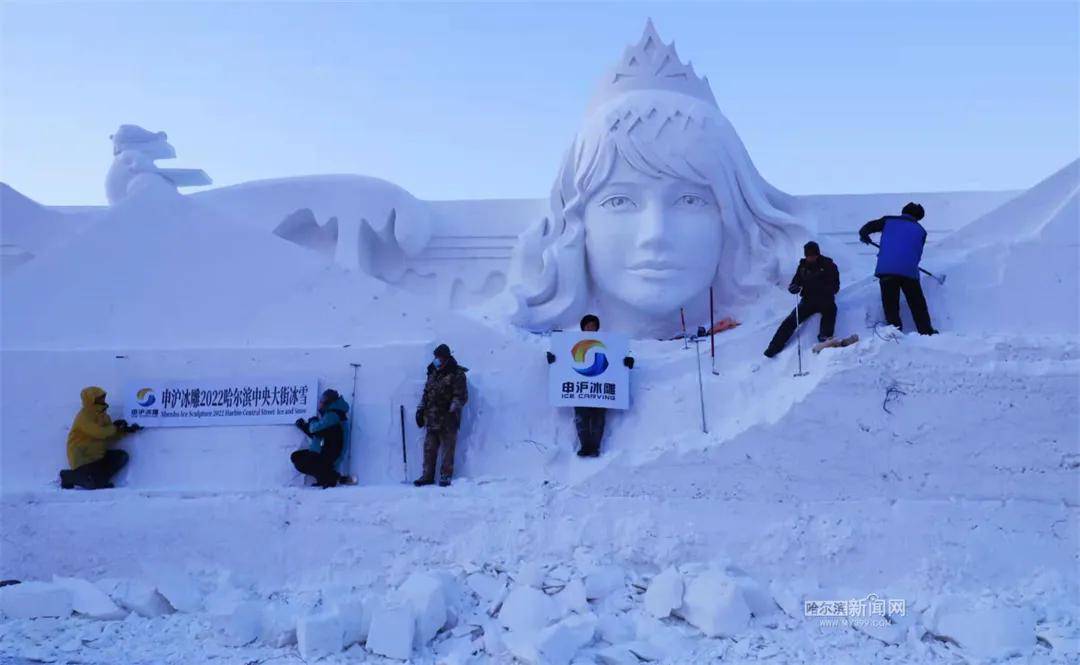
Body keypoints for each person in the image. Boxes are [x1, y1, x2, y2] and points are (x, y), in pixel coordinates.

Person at [547, 314, 634, 457]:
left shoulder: (610, 344)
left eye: (593, 325)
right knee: (581, 417)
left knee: (598, 417)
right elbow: (561, 361)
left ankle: (595, 447)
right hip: (579, 388)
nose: (590, 328)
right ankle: (585, 446)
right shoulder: (570, 343)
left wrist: (628, 362)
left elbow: (620, 359)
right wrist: (553, 359)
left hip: (600, 388)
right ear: (583, 328)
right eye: (588, 325)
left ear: (597, 328)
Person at [859, 202, 938, 335]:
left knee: (890, 304)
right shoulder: (921, 231)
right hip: (909, 270)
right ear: (918, 217)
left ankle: (895, 332)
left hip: (887, 269)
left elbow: (867, 228)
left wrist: (864, 235)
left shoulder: (888, 221)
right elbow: (916, 252)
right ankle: (926, 331)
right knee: (917, 303)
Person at [764, 242, 840, 358]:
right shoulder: (803, 267)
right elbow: (795, 282)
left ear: (818, 254)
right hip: (808, 300)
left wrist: (823, 289)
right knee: (791, 320)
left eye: (813, 255)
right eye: (808, 255)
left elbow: (836, 286)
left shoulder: (829, 265)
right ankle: (774, 346)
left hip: (825, 299)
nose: (811, 258)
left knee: (830, 311)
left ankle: (825, 338)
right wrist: (793, 287)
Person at [61, 386, 140, 490]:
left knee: (122, 457)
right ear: (90, 400)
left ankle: (99, 479)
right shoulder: (84, 416)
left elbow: (109, 436)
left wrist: (125, 431)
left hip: (98, 457)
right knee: (93, 485)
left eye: (102, 397)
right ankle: (68, 476)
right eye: (98, 398)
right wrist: (115, 427)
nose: (102, 399)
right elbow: (99, 432)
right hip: (83, 459)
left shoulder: (104, 416)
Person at [414, 344, 468, 487]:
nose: (437, 360)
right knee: (429, 449)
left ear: (446, 358)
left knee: (448, 450)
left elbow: (461, 396)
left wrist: (453, 407)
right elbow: (426, 394)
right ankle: (427, 476)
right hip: (431, 418)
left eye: (439, 357)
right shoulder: (432, 372)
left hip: (448, 419)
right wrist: (420, 410)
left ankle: (445, 475)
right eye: (435, 357)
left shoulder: (456, 373)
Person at [292, 389, 350, 488]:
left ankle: (331, 477)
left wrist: (312, 421)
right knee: (298, 457)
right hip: (328, 453)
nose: (320, 403)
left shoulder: (333, 415)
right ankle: (324, 478)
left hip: (332, 456)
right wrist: (304, 426)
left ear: (329, 402)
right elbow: (319, 433)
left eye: (323, 400)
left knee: (300, 459)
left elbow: (315, 429)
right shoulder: (333, 415)